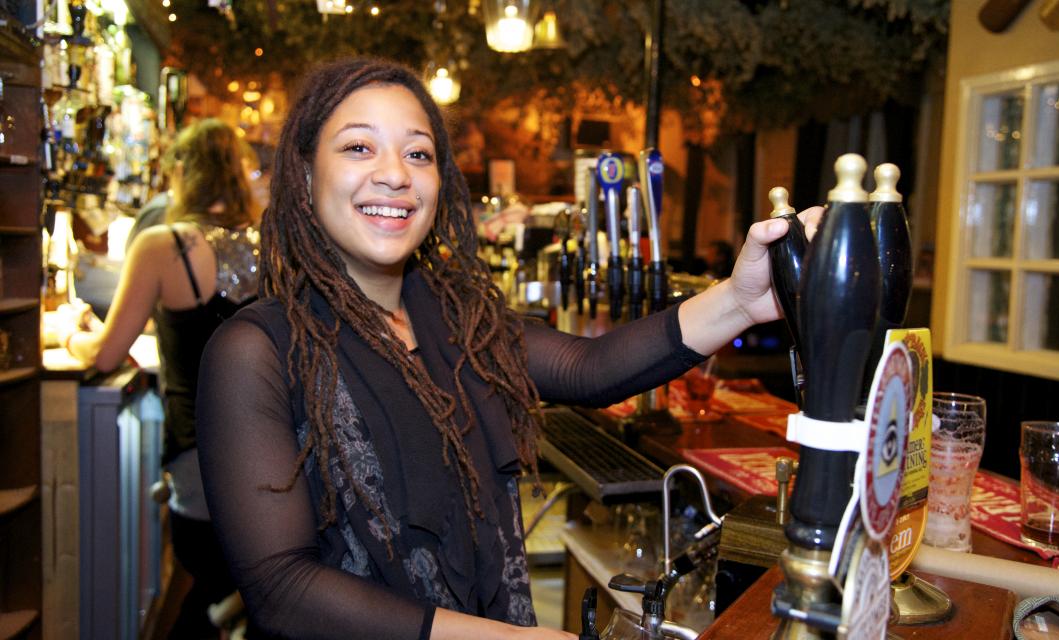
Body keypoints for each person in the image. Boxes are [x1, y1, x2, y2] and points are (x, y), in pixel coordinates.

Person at [195, 58, 822, 640]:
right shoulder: (256, 351)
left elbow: (590, 367)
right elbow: (283, 588)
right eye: (359, 147)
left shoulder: (457, 321)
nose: (395, 174)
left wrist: (741, 301)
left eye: (419, 153)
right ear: (304, 177)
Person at [62, 118, 259, 639]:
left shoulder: (163, 245)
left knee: (200, 587)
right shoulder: (272, 245)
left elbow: (107, 354)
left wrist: (71, 335)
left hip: (201, 461)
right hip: (275, 460)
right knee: (239, 594)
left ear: (182, 172)